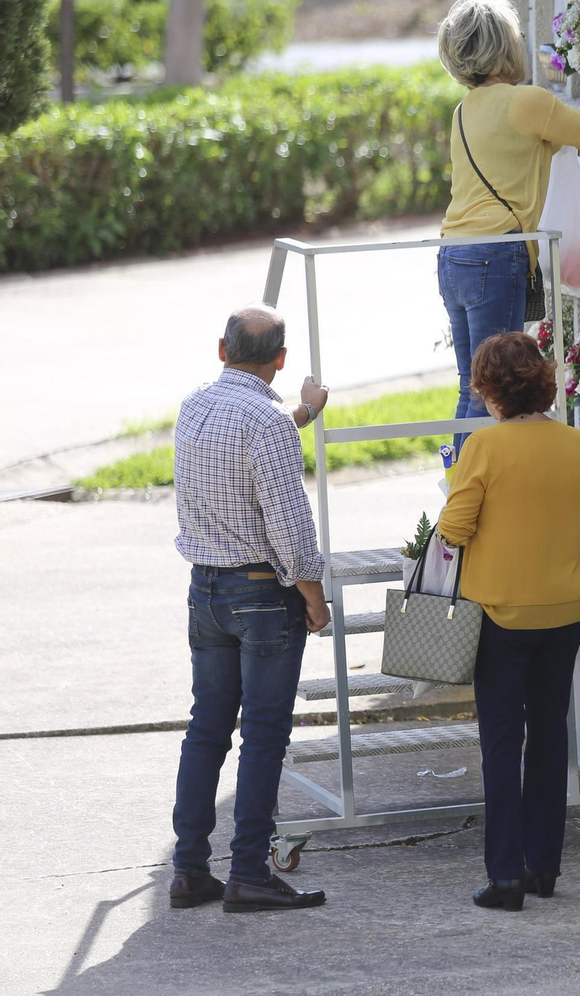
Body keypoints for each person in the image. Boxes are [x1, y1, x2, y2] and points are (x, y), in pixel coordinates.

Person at [437, 332, 580, 911]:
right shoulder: (575, 444)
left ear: (490, 390)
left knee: (501, 741)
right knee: (550, 735)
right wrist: (572, 593)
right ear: (539, 381)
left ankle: (506, 876)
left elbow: (454, 531)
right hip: (564, 614)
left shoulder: (484, 449)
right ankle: (545, 867)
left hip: (499, 615)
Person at [435, 0, 580, 468]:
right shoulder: (524, 100)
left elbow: (554, 134)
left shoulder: (467, 109)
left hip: (454, 256)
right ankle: (470, 491)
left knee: (473, 384)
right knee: (494, 386)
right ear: (506, 45)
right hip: (495, 254)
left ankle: (459, 480)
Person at [169, 304, 331, 913]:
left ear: (222, 350)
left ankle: (188, 870)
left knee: (206, 729)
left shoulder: (196, 407)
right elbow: (289, 523)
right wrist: (313, 597)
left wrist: (302, 417)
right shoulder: (265, 422)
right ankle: (249, 873)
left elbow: (242, 457)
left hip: (205, 589)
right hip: (264, 594)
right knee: (263, 736)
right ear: (281, 360)